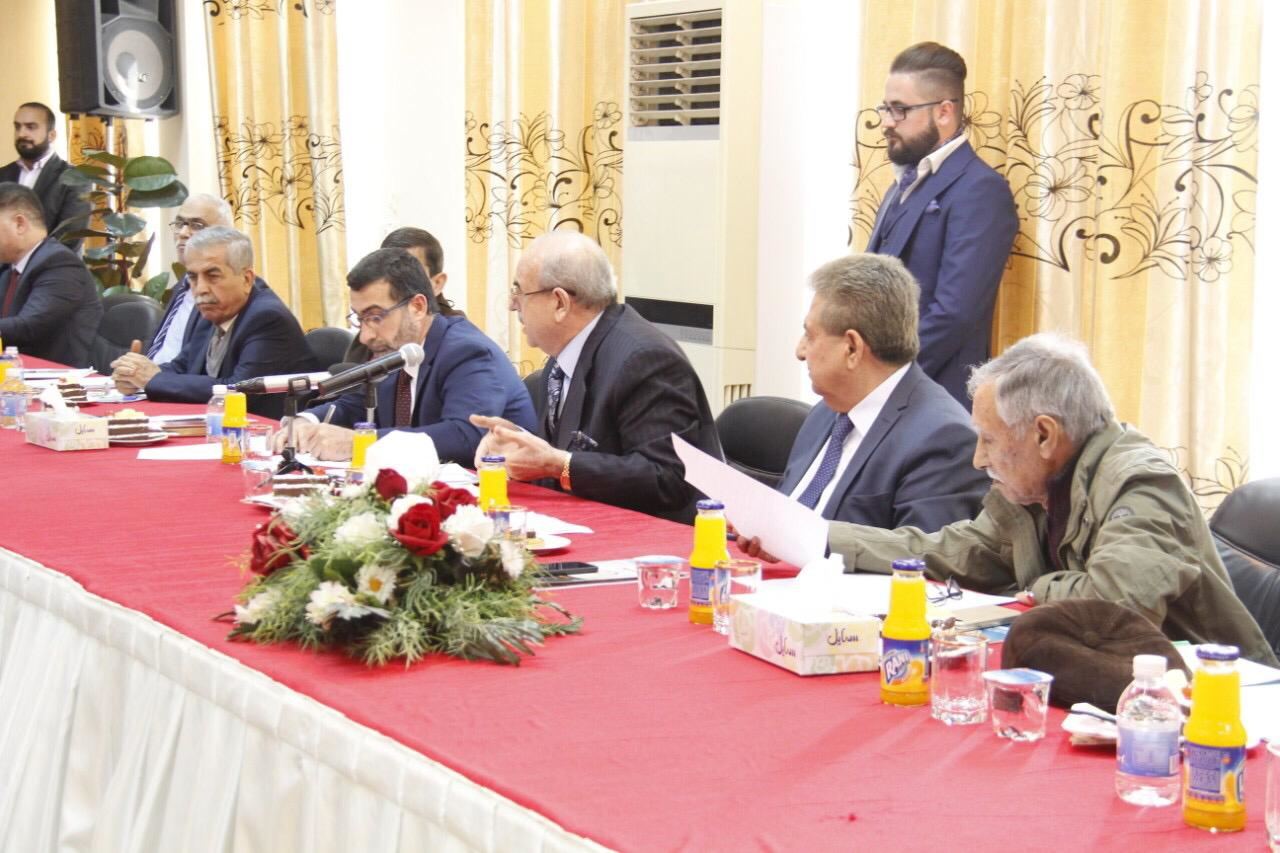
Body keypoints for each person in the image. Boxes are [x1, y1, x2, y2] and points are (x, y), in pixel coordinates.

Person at [789, 333, 1274, 664]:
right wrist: (820, 536)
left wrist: (1036, 589)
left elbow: (1116, 606)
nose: (978, 459)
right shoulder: (1035, 485)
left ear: (1044, 434)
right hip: (1105, 683)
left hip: (1224, 708)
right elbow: (952, 550)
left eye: (989, 440)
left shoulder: (1141, 483)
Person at [470, 231, 721, 523]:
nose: (512, 305)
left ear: (560, 303)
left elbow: (666, 477)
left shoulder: (644, 359)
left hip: (653, 538)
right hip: (589, 523)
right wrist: (520, 444)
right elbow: (566, 456)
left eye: (520, 292)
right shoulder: (563, 357)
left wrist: (558, 464)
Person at [779, 253, 987, 531]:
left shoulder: (944, 439)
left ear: (852, 348)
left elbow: (920, 555)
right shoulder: (826, 412)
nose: (800, 351)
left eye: (810, 335)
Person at [866, 42, 1018, 409]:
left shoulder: (980, 190)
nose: (887, 122)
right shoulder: (900, 184)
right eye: (885, 108)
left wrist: (882, 379)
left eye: (900, 109)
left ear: (945, 111)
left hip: (933, 402)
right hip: (880, 394)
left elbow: (955, 315)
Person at [288, 248, 535, 464]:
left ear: (417, 307)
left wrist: (359, 443)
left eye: (375, 317)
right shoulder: (397, 349)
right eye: (359, 318)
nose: (365, 336)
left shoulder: (467, 351)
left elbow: (465, 436)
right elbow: (356, 405)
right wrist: (305, 423)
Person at [110, 226, 314, 418]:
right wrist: (135, 375)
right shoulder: (213, 309)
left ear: (246, 279)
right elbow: (182, 367)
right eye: (193, 277)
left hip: (273, 433)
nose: (200, 289)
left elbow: (239, 390)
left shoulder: (267, 318)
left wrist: (154, 379)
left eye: (212, 276)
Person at [0, 182, 100, 366]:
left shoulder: (59, 263)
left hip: (60, 378)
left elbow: (29, 326)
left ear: (20, 224)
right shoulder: (9, 270)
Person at [145, 193, 234, 363]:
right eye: (179, 224)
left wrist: (155, 374)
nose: (183, 233)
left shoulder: (226, 295)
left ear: (226, 236)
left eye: (197, 225)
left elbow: (200, 366)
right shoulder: (183, 285)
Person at [0, 103, 90, 252]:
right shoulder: (3, 175)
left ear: (51, 135)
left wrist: (21, 260)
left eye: (31, 127)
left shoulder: (75, 179)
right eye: (18, 127)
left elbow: (70, 238)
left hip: (54, 266)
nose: (22, 134)